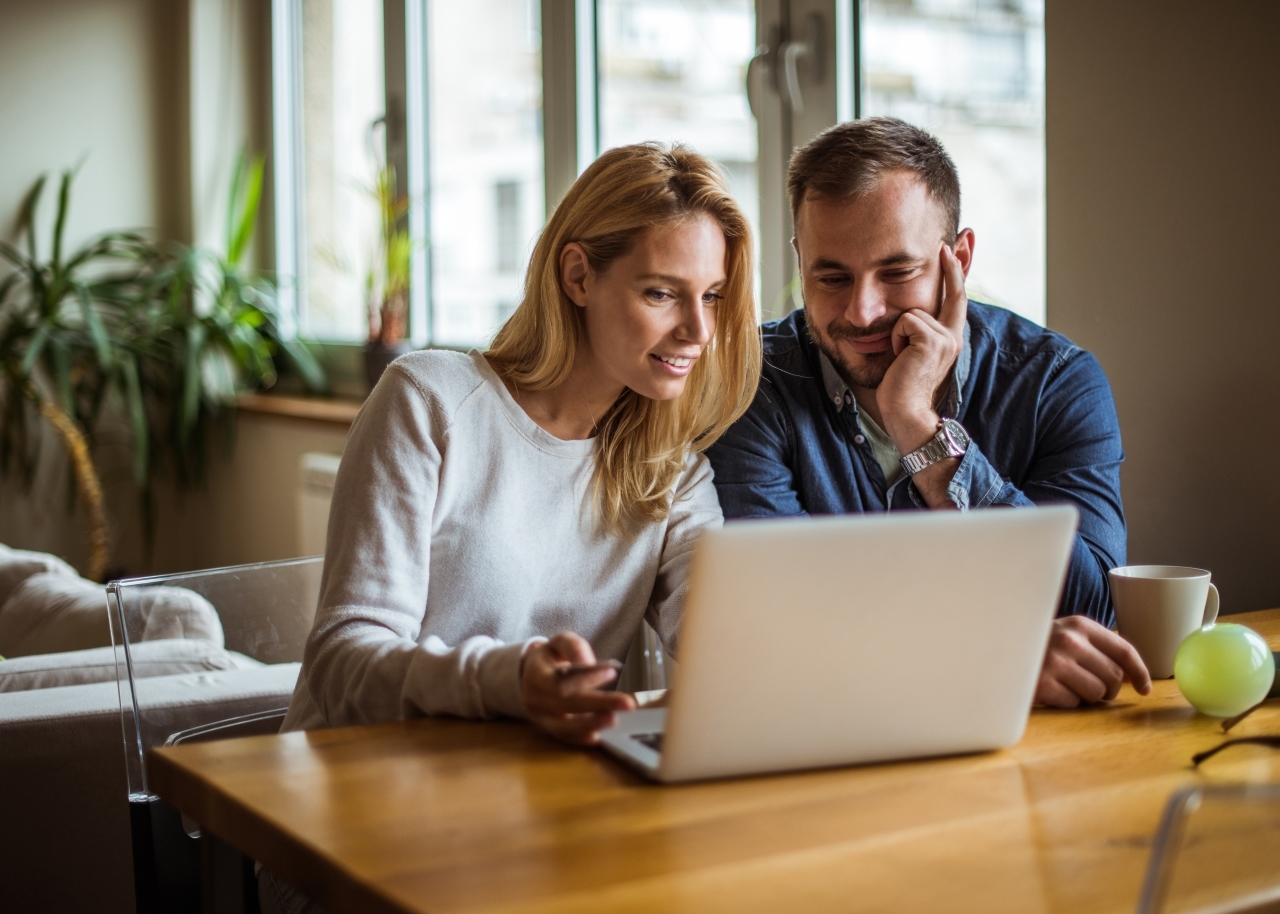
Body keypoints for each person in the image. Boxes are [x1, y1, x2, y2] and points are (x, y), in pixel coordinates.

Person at [261, 144, 759, 912]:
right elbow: (343, 661)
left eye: (715, 296)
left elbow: (721, 649)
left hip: (536, 827)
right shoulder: (429, 401)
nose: (698, 329)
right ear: (578, 276)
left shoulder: (674, 471)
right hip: (353, 834)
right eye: (663, 293)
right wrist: (509, 682)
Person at [706, 117, 1152, 710]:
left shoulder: (1056, 382)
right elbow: (775, 623)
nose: (863, 312)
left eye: (897, 272)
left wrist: (919, 426)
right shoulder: (750, 382)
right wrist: (996, 656)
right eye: (831, 276)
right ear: (799, 260)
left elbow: (1092, 612)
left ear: (958, 259)